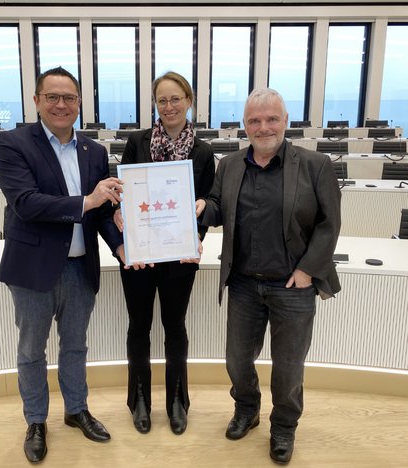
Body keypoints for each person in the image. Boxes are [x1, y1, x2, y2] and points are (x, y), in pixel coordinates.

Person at [196, 88, 341, 464]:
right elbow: (216, 206)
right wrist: (201, 207)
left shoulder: (314, 165)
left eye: (271, 119)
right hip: (243, 282)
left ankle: (283, 426)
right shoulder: (228, 166)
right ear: (245, 126)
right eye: (255, 121)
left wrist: (308, 270)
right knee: (237, 360)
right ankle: (247, 408)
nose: (264, 127)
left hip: (292, 284)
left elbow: (329, 224)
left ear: (285, 121)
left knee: (289, 367)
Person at [0, 66, 124, 464]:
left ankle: (76, 410)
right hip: (33, 268)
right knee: (32, 350)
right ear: (36, 101)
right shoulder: (13, 144)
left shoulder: (94, 151)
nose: (61, 104)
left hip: (80, 267)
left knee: (76, 345)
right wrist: (88, 200)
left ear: (79, 103)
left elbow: (102, 214)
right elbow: (27, 203)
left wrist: (120, 246)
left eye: (69, 97)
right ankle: (36, 420)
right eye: (52, 96)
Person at [113, 71, 215, 435]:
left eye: (175, 98)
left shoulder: (203, 152)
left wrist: (197, 234)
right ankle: (139, 399)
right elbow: (121, 193)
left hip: (180, 257)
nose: (168, 106)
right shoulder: (137, 142)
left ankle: (177, 401)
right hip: (140, 255)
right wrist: (117, 212)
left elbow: (208, 201)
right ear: (155, 104)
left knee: (175, 327)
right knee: (138, 327)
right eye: (162, 100)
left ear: (189, 100)